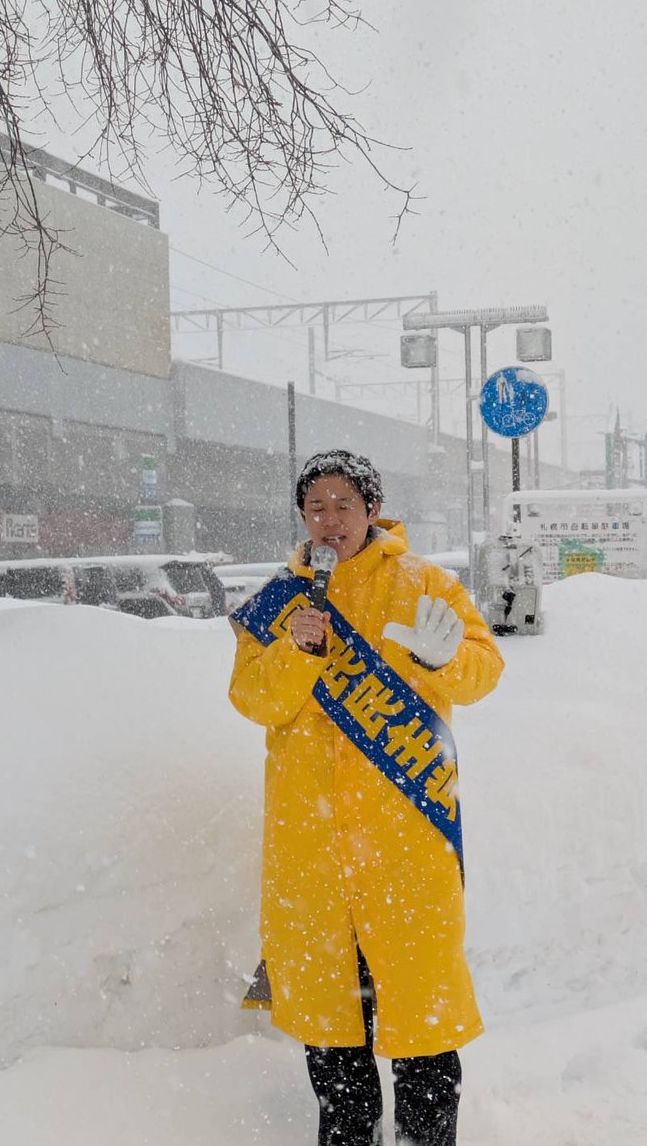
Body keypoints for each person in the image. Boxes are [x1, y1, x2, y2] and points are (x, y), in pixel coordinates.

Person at [228, 449, 504, 1146]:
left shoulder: (425, 583)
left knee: (421, 1021)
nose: (329, 521)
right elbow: (253, 700)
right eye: (315, 508)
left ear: (372, 509)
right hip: (311, 849)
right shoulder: (278, 600)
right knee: (332, 1034)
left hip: (406, 841)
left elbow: (482, 673)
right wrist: (293, 651)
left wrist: (444, 659)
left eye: (343, 505)